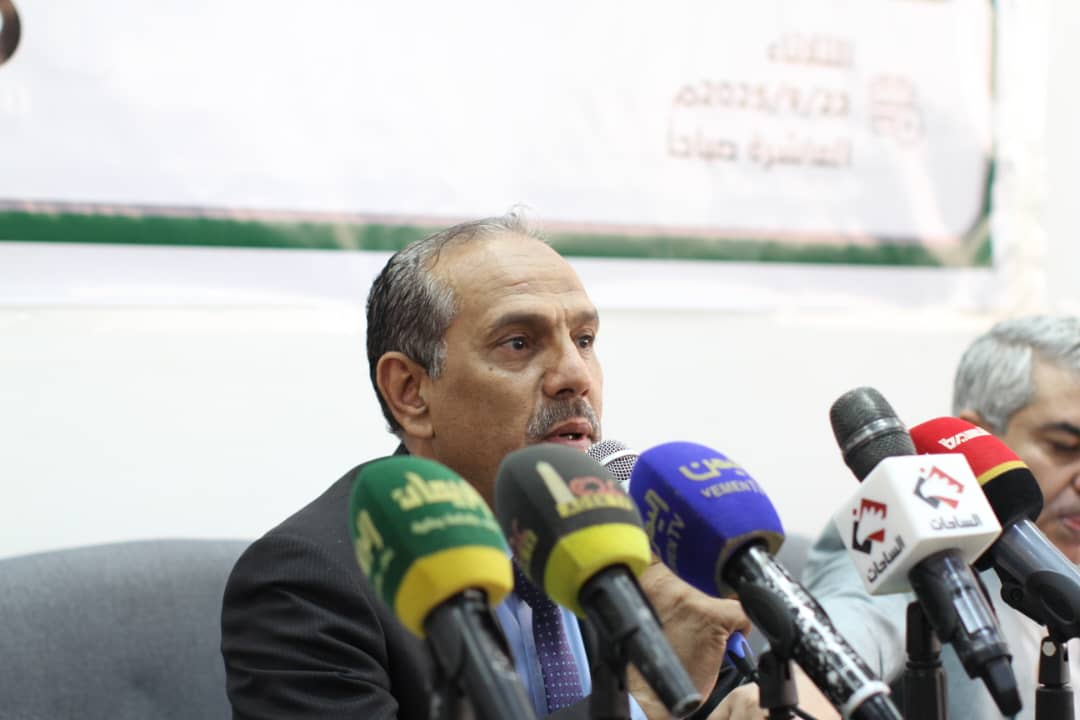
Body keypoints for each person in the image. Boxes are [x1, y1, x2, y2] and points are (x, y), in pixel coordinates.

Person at [221, 212, 779, 719]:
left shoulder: (619, 531)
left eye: (584, 339)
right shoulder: (308, 582)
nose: (575, 375)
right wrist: (638, 701)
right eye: (518, 343)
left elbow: (718, 691)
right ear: (411, 392)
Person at [803, 315, 1080, 720]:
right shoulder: (923, 543)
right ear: (972, 439)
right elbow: (852, 623)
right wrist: (803, 689)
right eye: (1064, 446)